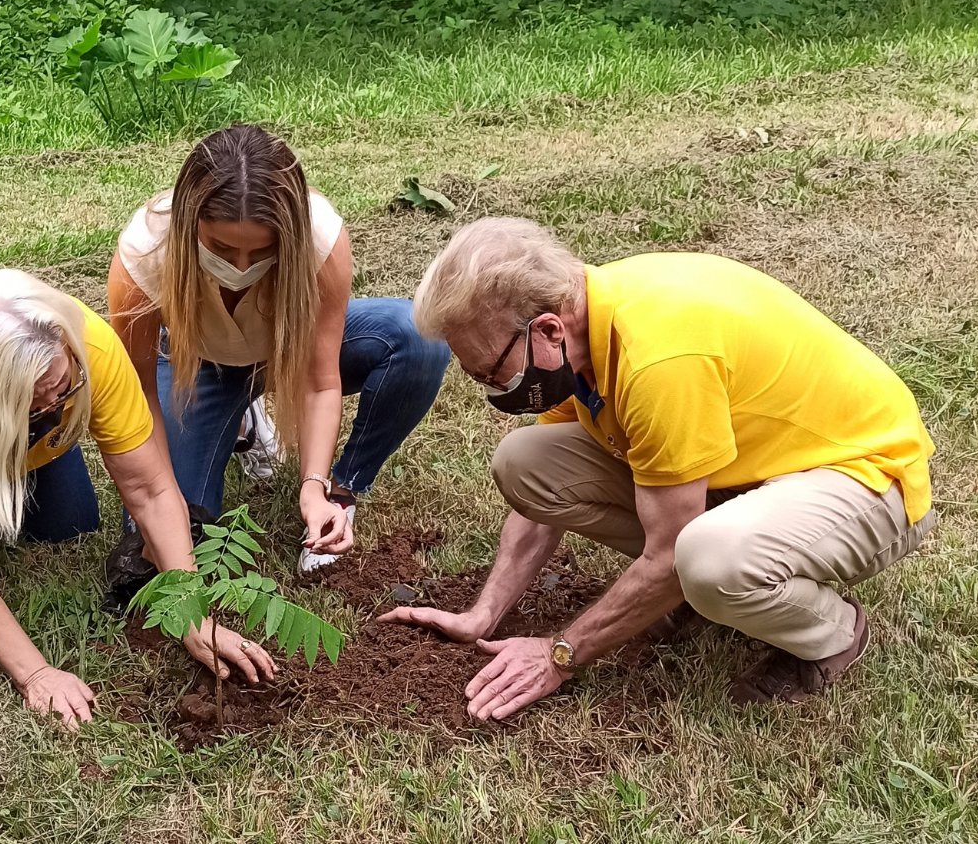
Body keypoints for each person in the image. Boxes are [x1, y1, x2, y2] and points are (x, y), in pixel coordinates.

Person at [383, 218, 937, 718]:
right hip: (752, 470)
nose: (492, 389)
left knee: (706, 558)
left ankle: (832, 634)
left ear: (548, 329)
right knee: (526, 462)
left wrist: (559, 655)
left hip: (865, 477)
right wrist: (484, 614)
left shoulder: (657, 358)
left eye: (490, 372)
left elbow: (671, 553)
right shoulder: (584, 325)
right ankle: (700, 594)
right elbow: (541, 498)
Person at [0, 269, 276, 728]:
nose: (54, 406)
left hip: (13, 431)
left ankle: (19, 441)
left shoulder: (91, 348)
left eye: (62, 388)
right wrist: (35, 673)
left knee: (71, 525)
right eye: (31, 401)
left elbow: (151, 489)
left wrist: (193, 615)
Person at [107, 124, 450, 572]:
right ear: (193, 223)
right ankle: (241, 420)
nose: (241, 267)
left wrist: (313, 487)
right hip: (196, 366)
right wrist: (157, 506)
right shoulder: (147, 248)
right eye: (222, 249)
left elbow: (319, 381)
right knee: (174, 530)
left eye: (261, 252)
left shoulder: (320, 237)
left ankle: (340, 496)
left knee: (416, 336)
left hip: (289, 353)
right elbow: (139, 397)